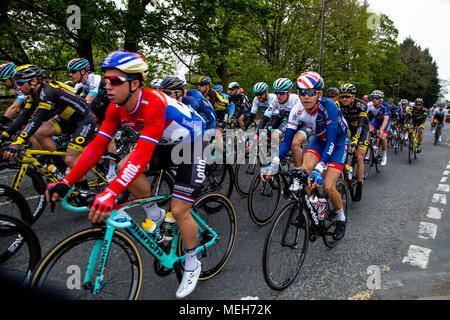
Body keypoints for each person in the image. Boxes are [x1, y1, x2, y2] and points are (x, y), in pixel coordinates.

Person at [45, 50, 207, 299]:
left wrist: (110, 193)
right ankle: (154, 213)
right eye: (106, 79)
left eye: (116, 81)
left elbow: (142, 155)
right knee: (122, 166)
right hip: (165, 143)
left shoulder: (153, 103)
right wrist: (66, 181)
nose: (108, 86)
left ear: (134, 83)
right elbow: (97, 146)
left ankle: (193, 262)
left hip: (191, 144)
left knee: (179, 209)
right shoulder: (115, 108)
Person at [1, 64, 96, 176]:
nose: (17, 87)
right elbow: (23, 117)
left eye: (20, 83)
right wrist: (4, 136)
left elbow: (37, 120)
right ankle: (62, 170)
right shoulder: (35, 94)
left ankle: (83, 190)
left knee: (70, 160)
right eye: (16, 83)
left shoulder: (48, 92)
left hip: (84, 121)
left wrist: (17, 142)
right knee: (40, 133)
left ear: (33, 81)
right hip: (67, 120)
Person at [295, 71, 349, 240]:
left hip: (338, 142)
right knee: (304, 172)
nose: (305, 96)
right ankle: (315, 206)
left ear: (319, 94)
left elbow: (331, 141)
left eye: (311, 92)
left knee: (328, 185)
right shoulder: (299, 108)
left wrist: (319, 168)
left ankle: (341, 218)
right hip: (319, 140)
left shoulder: (330, 107)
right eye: (302, 92)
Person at [67, 58, 117, 181]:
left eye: (73, 71)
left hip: (111, 106)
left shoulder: (95, 78)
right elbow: (72, 101)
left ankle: (112, 170)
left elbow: (89, 99)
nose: (70, 74)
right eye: (70, 72)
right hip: (98, 108)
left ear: (84, 71)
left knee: (108, 138)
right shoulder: (79, 84)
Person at [335, 83, 369, 201]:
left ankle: (359, 184)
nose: (344, 99)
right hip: (348, 128)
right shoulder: (338, 104)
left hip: (362, 129)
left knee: (359, 157)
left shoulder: (362, 104)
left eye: (347, 97)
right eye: (342, 96)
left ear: (353, 97)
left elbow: (361, 123)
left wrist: (355, 140)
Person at [197, 76, 229, 159]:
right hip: (214, 112)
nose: (199, 87)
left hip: (223, 111)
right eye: (198, 85)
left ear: (207, 86)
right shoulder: (199, 94)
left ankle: (220, 157)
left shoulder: (212, 93)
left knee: (218, 132)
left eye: (202, 85)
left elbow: (208, 107)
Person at [0, 62, 28, 127]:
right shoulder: (16, 88)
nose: (1, 83)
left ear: (12, 78)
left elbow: (14, 107)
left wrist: (2, 122)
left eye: (3, 80)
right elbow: (18, 108)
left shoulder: (25, 87)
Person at [367, 90, 391, 165]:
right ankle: (368, 151)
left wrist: (381, 130)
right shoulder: (369, 105)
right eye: (373, 97)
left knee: (383, 137)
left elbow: (386, 118)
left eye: (377, 98)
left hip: (385, 121)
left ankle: (384, 155)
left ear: (380, 99)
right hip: (376, 120)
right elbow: (364, 116)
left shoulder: (385, 105)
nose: (374, 99)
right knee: (368, 131)